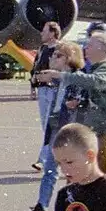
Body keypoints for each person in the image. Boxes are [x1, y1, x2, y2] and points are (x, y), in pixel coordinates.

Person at [34, 31, 106, 206]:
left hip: (105, 128)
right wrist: (78, 102)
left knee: (105, 171)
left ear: (102, 48)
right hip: (92, 129)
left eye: (90, 45)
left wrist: (60, 75)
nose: (85, 48)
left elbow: (94, 82)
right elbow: (90, 92)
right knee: (87, 173)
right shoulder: (93, 68)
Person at [21, 44, 87, 211]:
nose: (52, 58)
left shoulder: (77, 78)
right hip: (56, 129)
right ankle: (41, 207)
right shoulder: (59, 81)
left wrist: (76, 104)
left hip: (69, 132)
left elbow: (81, 103)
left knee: (72, 173)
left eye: (58, 56)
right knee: (50, 170)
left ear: (69, 58)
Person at [29, 23, 64, 169]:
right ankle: (52, 157)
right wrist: (32, 85)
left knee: (51, 125)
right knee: (45, 125)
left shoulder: (61, 48)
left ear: (53, 32)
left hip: (54, 89)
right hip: (42, 89)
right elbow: (36, 65)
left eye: (44, 31)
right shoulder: (42, 48)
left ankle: (43, 160)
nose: (41, 34)